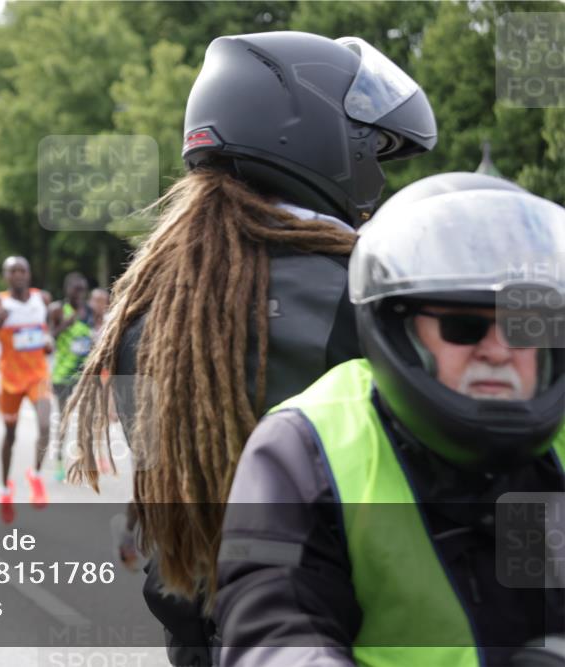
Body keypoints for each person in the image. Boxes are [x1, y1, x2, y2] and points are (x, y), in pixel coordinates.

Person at [61, 31, 436, 664]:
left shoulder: (150, 306)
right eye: (371, 148)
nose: (376, 171)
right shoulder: (360, 291)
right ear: (320, 140)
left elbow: (164, 518)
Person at [214, 173, 565, 667]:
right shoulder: (307, 446)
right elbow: (274, 632)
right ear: (397, 327)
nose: (498, 352)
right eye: (463, 326)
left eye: (523, 327)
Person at [0, 256, 53, 523]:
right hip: (10, 381)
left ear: (29, 274)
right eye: (12, 271)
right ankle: (5, 490)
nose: (18, 275)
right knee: (10, 435)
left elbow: (47, 330)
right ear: (5, 276)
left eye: (22, 270)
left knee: (45, 425)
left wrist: (48, 340)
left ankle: (36, 476)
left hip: (38, 376)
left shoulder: (42, 299)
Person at [49, 272, 95, 482]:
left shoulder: (89, 311)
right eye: (75, 290)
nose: (78, 295)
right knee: (63, 417)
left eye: (81, 291)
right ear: (67, 290)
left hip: (84, 372)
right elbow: (49, 337)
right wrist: (64, 324)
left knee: (88, 415)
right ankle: (59, 460)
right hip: (62, 373)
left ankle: (85, 459)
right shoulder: (58, 309)